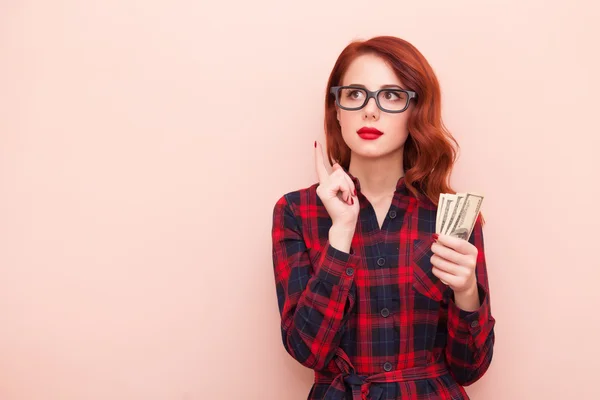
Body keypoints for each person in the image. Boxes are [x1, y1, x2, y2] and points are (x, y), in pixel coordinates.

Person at [271, 36, 495, 400]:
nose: (370, 111)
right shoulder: (296, 211)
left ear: (415, 111)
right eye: (355, 94)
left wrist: (467, 292)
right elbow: (307, 351)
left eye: (391, 96)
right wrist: (341, 234)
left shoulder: (450, 215)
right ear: (337, 110)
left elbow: (470, 367)